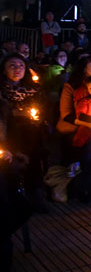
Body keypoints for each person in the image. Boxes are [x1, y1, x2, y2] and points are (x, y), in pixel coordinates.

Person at [0, 53, 49, 212]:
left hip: (29, 130)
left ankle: (34, 192)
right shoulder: (1, 90)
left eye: (21, 65)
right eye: (12, 66)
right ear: (4, 69)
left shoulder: (34, 89)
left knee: (32, 141)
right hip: (6, 131)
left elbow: (41, 111)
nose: (17, 69)